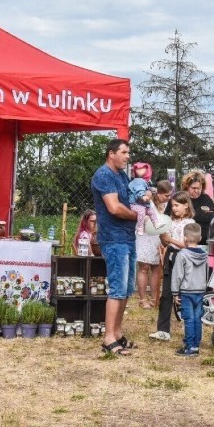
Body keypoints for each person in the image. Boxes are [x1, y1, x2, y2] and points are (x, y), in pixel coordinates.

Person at [91, 138, 138, 356]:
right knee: (117, 289)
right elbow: (114, 207)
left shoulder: (121, 175)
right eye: (124, 152)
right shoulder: (104, 175)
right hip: (114, 238)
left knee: (127, 289)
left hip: (128, 237)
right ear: (112, 153)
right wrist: (137, 215)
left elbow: (131, 199)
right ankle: (108, 337)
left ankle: (118, 333)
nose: (128, 156)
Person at [150, 190, 195, 341]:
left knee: (184, 294)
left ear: (186, 206)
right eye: (172, 206)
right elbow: (165, 241)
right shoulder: (170, 222)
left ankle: (189, 327)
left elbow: (187, 245)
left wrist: (170, 240)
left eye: (177, 205)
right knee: (167, 294)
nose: (174, 208)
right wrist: (163, 238)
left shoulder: (190, 224)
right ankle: (163, 330)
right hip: (171, 256)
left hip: (184, 259)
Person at [171, 223, 208, 357]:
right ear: (200, 238)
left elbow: (177, 275)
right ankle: (196, 344)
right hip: (200, 290)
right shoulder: (204, 255)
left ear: (185, 238)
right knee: (197, 318)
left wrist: (175, 293)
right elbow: (206, 273)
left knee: (189, 319)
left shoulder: (182, 255)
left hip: (187, 292)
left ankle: (189, 346)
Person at [134, 179, 171, 309]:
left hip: (159, 236)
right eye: (166, 195)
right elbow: (141, 216)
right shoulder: (147, 202)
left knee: (157, 268)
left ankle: (155, 298)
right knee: (144, 267)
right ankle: (143, 299)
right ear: (159, 193)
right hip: (145, 235)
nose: (168, 198)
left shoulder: (167, 206)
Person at [182, 169, 214, 245]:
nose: (197, 191)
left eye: (199, 188)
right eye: (194, 188)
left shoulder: (206, 198)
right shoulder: (181, 198)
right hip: (187, 243)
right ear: (187, 186)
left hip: (207, 242)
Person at [128, 162, 164, 236]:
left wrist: (151, 189)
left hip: (141, 203)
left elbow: (145, 188)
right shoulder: (139, 181)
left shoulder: (142, 181)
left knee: (151, 210)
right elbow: (139, 190)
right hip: (135, 204)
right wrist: (142, 196)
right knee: (141, 212)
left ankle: (156, 223)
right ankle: (140, 227)